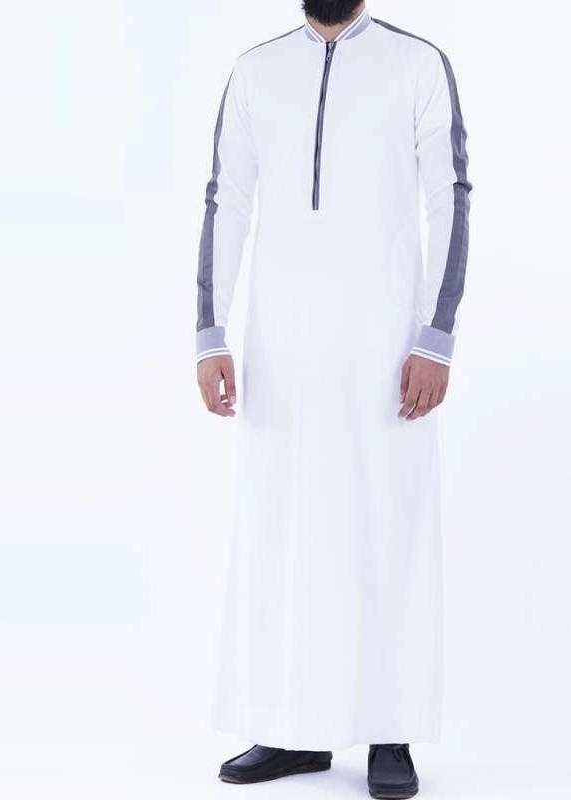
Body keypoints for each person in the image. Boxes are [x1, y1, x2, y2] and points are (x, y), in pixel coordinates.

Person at [195, 1, 472, 797]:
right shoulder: (256, 71)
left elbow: (450, 197)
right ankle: (290, 728)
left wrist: (435, 336)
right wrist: (211, 333)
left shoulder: (416, 65)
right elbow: (226, 199)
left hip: (385, 348)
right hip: (280, 350)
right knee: (282, 531)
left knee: (388, 527)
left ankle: (390, 730)